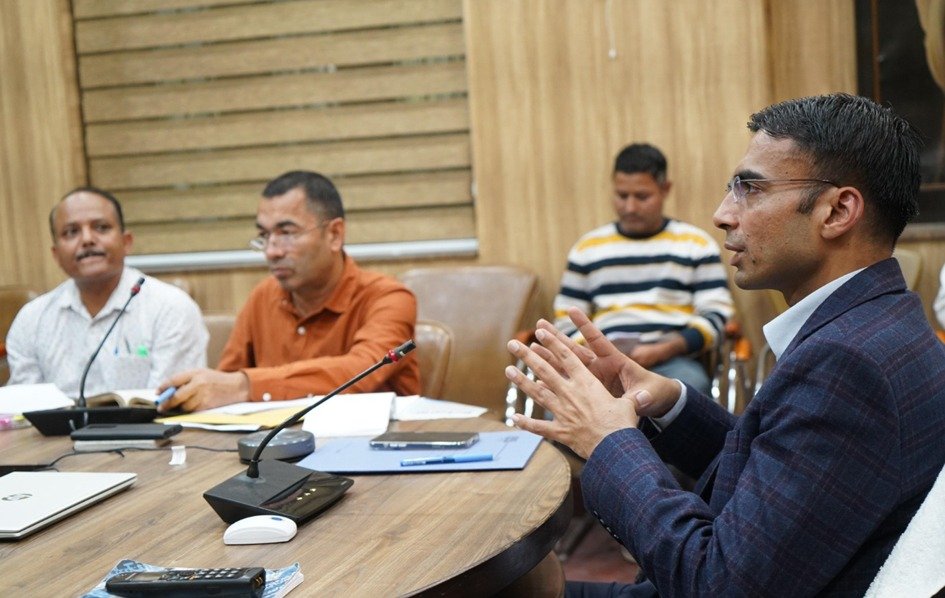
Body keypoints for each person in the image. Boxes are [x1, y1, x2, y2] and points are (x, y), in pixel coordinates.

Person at [506, 94, 945, 596]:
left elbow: (718, 584)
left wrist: (610, 443)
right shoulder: (882, 324)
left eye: (750, 189)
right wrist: (671, 403)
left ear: (837, 211)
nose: (722, 215)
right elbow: (778, 470)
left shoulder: (846, 365)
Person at [159, 170, 420, 412]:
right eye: (264, 236)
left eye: (286, 233)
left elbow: (360, 370)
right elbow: (225, 386)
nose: (272, 251)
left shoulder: (388, 297)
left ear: (334, 234)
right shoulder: (263, 296)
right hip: (275, 443)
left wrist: (246, 386)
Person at [553, 143, 734, 396]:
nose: (630, 207)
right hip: (602, 362)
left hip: (672, 361)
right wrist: (599, 351)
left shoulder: (695, 245)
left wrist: (666, 349)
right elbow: (565, 320)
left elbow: (716, 316)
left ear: (665, 189)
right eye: (621, 195)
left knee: (691, 388)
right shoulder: (587, 249)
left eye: (641, 197)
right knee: (563, 397)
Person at [6, 187, 208, 398]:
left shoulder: (171, 308)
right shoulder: (31, 320)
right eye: (71, 232)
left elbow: (170, 401)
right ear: (56, 255)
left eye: (101, 228)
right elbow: (26, 405)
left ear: (126, 242)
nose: (87, 239)